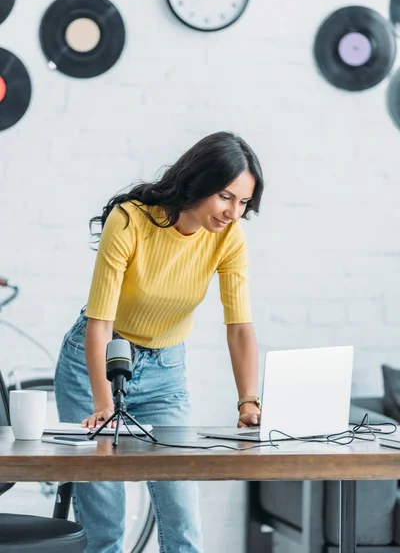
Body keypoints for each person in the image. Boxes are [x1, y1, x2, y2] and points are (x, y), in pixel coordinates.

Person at [54, 131, 264, 553]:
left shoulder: (228, 238)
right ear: (198, 182)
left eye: (243, 203)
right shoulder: (131, 220)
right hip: (95, 363)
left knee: (184, 524)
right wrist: (103, 402)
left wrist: (248, 401)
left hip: (166, 372)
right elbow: (100, 322)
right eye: (226, 197)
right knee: (105, 526)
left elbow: (239, 325)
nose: (233, 213)